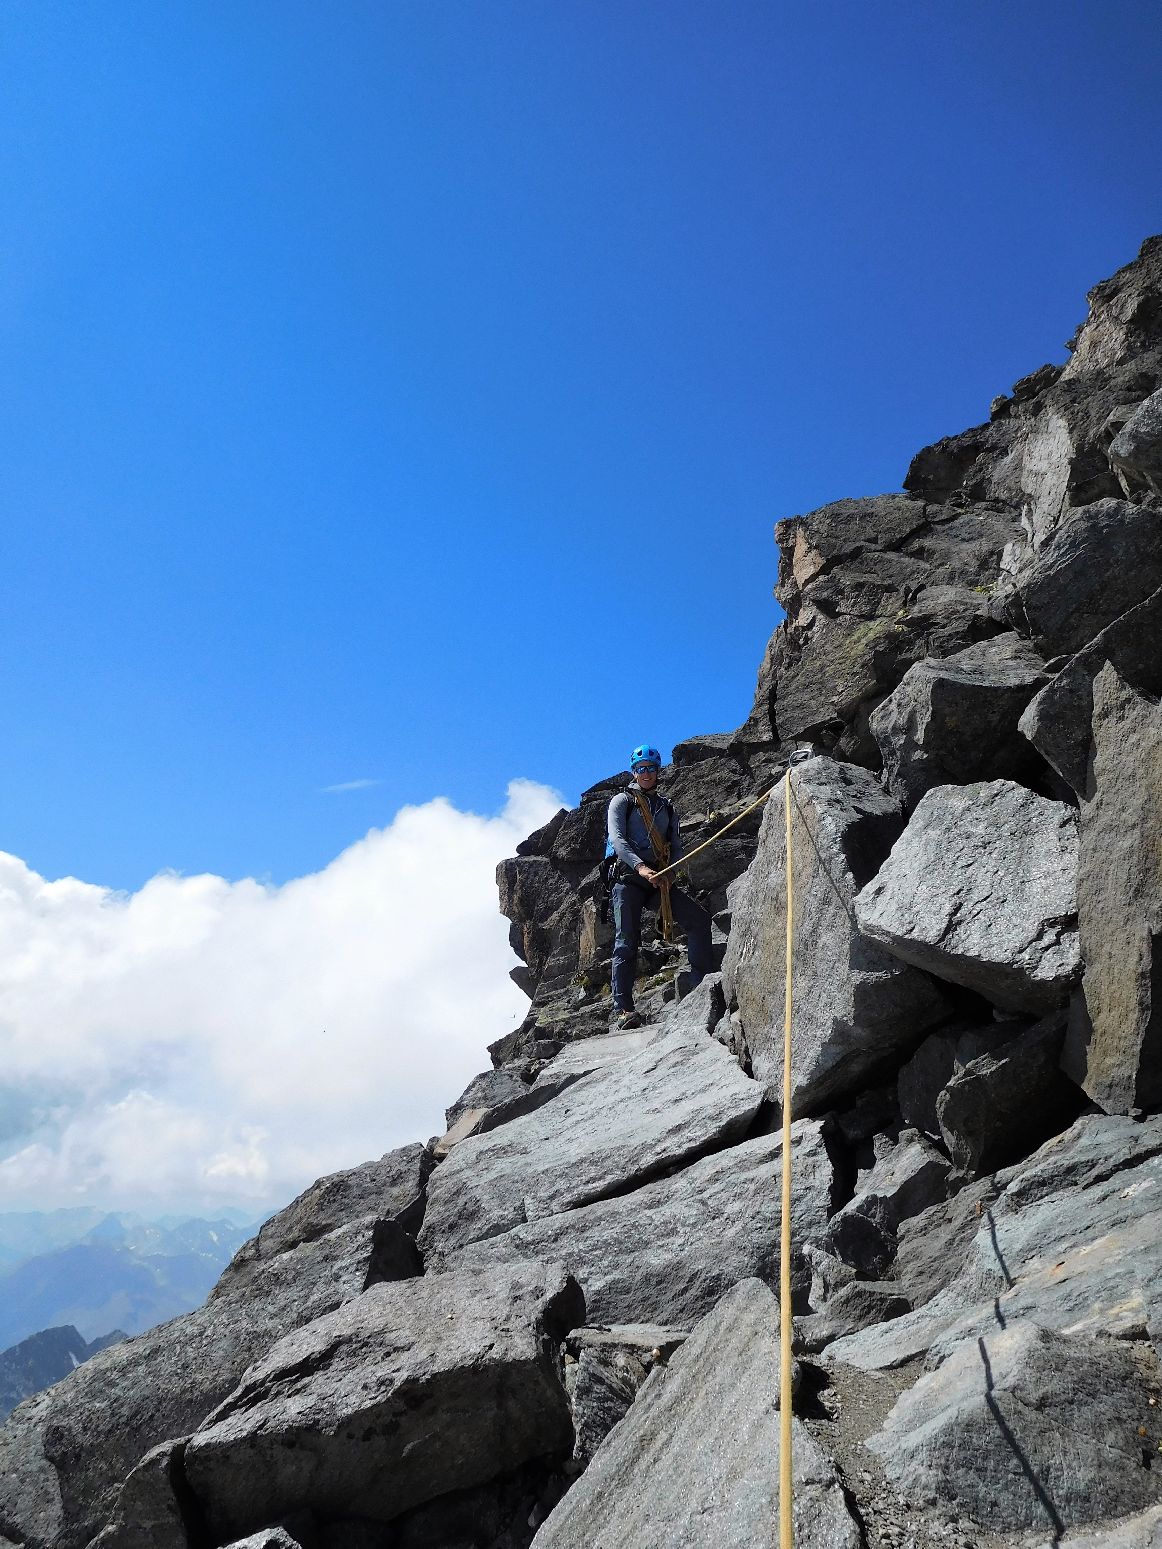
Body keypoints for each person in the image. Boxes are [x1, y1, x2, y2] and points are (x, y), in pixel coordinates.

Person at [606, 743, 713, 1030]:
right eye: (641, 769)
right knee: (626, 942)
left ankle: (702, 987)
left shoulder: (666, 807)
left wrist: (671, 872)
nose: (646, 774)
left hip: (657, 880)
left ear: (658, 771)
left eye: (651, 769)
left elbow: (675, 845)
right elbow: (618, 840)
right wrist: (641, 867)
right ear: (634, 772)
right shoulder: (622, 801)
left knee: (699, 921)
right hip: (628, 880)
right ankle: (623, 1010)